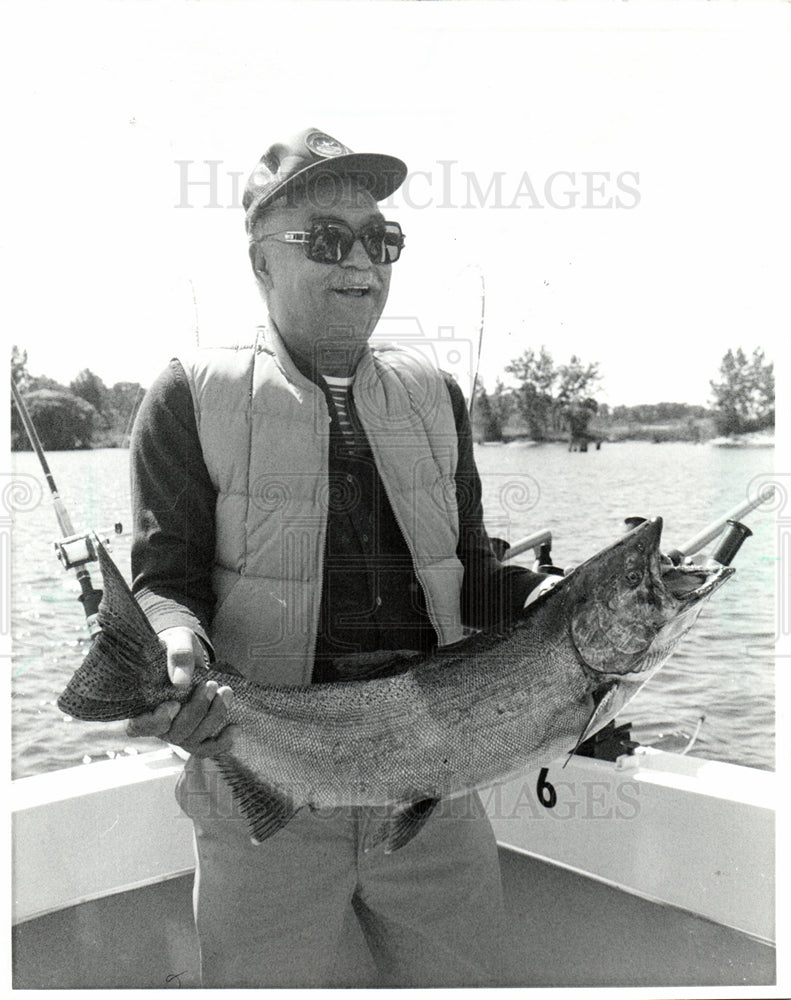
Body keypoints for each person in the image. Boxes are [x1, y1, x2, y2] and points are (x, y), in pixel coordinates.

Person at [126, 128, 551, 988]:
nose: (362, 260)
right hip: (261, 784)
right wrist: (172, 647)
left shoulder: (436, 395)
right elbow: (164, 583)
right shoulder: (188, 393)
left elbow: (469, 570)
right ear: (260, 264)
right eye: (326, 238)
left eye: (380, 239)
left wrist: (556, 602)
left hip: (435, 782)